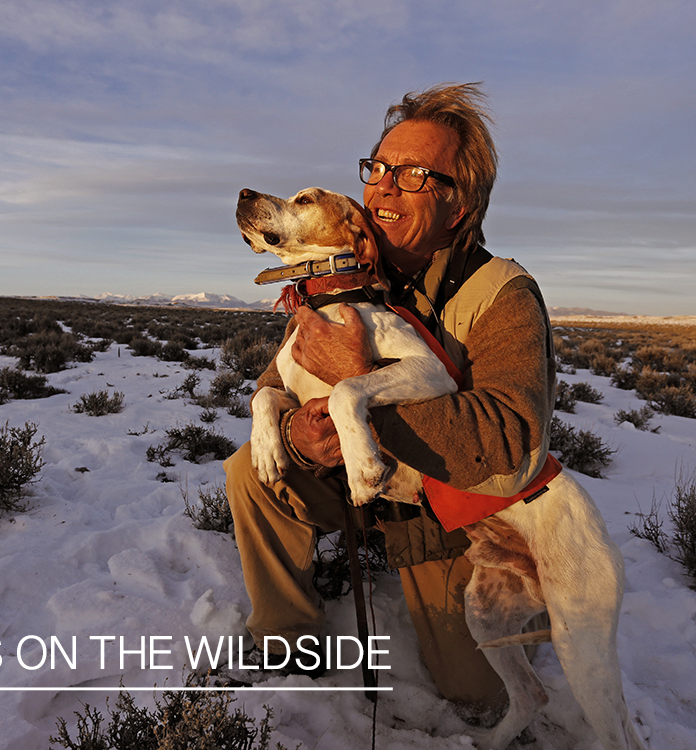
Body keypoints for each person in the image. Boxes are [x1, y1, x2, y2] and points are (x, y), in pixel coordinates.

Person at [223, 82, 556, 711]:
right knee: (253, 465)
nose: (384, 187)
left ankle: (515, 600)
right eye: (377, 169)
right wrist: (295, 432)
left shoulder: (499, 293)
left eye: (413, 175)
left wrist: (364, 390)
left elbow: (511, 439)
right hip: (367, 480)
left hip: (454, 512)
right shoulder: (337, 274)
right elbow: (279, 380)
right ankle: (284, 637)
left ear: (460, 206)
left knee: (479, 694)